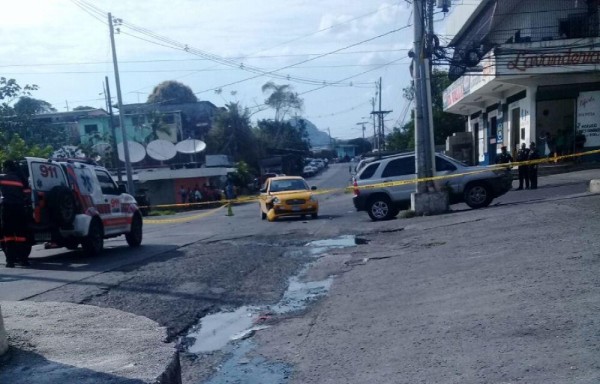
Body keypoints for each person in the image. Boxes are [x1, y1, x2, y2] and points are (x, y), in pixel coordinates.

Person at [0, 160, 30, 267]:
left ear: (6, 168)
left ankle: (10, 261)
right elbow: (27, 194)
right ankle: (24, 260)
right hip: (20, 208)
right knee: (21, 235)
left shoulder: (2, 177)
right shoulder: (21, 179)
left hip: (7, 207)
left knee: (8, 235)